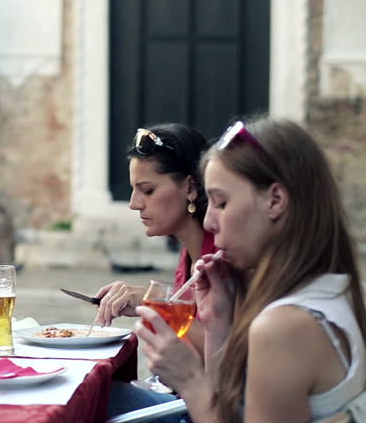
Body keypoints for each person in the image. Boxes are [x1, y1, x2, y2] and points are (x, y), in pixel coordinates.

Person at [136, 117, 365, 422]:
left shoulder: (285, 326)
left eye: (221, 202)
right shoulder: (330, 290)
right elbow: (229, 411)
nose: (209, 221)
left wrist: (190, 380)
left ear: (275, 200)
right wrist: (218, 325)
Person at [97, 123, 214, 419]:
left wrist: (155, 306)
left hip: (208, 410)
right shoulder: (189, 252)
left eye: (147, 190)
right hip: (182, 396)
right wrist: (151, 303)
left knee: (94, 399)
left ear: (191, 188)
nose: (134, 204)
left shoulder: (219, 257)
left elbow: (231, 354)